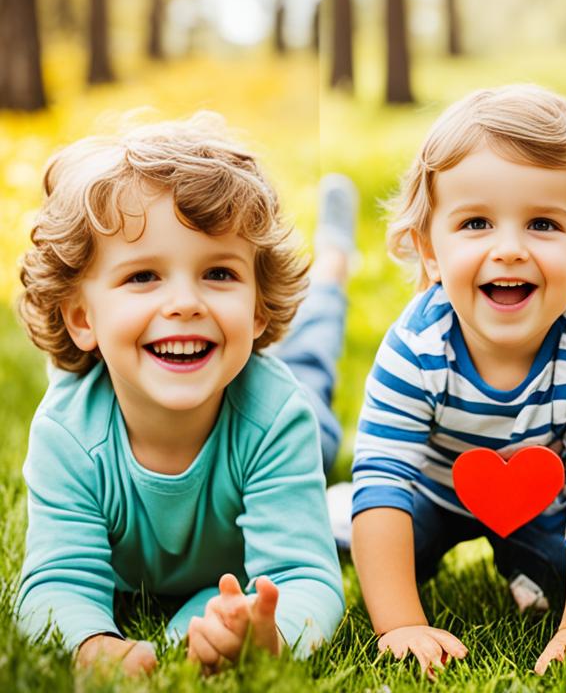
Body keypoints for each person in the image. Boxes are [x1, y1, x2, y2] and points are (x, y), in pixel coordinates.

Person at [16, 114, 354, 675]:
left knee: (311, 356)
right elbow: (57, 579)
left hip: (286, 423)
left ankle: (334, 263)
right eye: (144, 276)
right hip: (229, 386)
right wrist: (93, 644)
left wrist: (273, 634)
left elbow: (304, 578)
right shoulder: (67, 433)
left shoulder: (277, 418)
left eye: (218, 274)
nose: (185, 303)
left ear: (256, 305)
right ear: (81, 317)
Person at [340, 84, 566, 676]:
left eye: (542, 223)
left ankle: (550, 552)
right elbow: (384, 478)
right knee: (380, 537)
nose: (509, 249)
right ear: (429, 252)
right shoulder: (416, 350)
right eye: (477, 223)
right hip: (431, 490)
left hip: (544, 495)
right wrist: (402, 624)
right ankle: (343, 517)